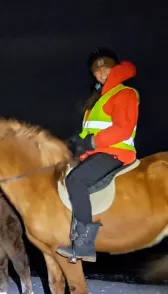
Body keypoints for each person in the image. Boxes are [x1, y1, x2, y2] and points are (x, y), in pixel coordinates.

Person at [56, 47, 140, 262]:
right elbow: (90, 131)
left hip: (116, 152)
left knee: (76, 180)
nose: (102, 73)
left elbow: (122, 128)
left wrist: (90, 142)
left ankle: (84, 244)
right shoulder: (97, 101)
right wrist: (77, 141)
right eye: (97, 70)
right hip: (96, 152)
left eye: (107, 68)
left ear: (117, 68)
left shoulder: (124, 93)